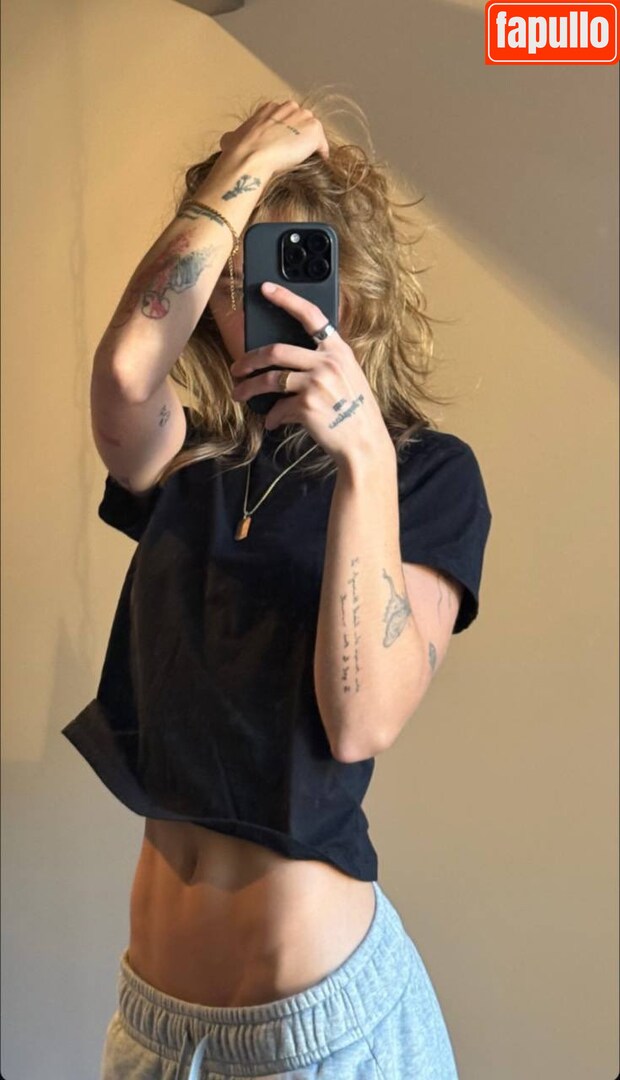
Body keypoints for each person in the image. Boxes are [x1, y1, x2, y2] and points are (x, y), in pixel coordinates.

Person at [63, 90, 492, 1079]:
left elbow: (359, 722)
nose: (255, 302)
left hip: (316, 1036)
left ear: (354, 286)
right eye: (232, 279)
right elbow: (125, 377)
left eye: (293, 268)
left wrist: (363, 460)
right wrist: (243, 166)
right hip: (153, 1029)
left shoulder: (424, 476)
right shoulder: (189, 460)